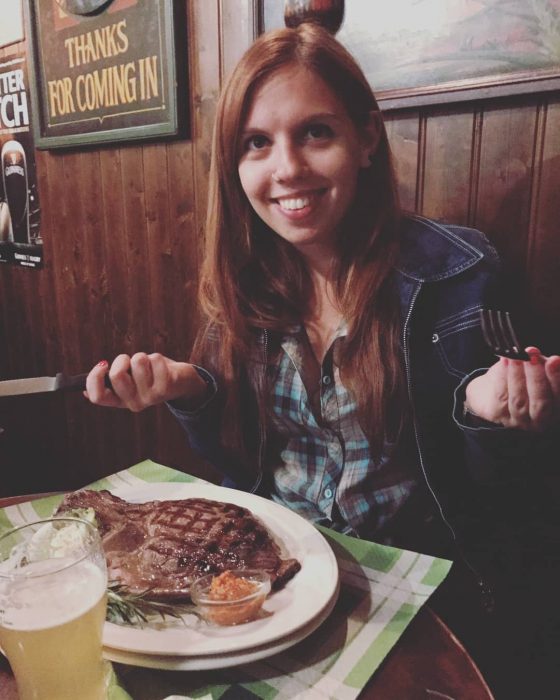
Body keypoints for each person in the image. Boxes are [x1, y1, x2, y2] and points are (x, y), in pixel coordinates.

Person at [86, 24, 560, 698]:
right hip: (276, 568)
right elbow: (237, 471)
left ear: (366, 139)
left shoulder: (462, 274)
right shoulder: (243, 283)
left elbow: (503, 497)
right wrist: (191, 389)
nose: (287, 169)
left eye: (315, 133)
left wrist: (487, 414)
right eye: (257, 143)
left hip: (416, 584)